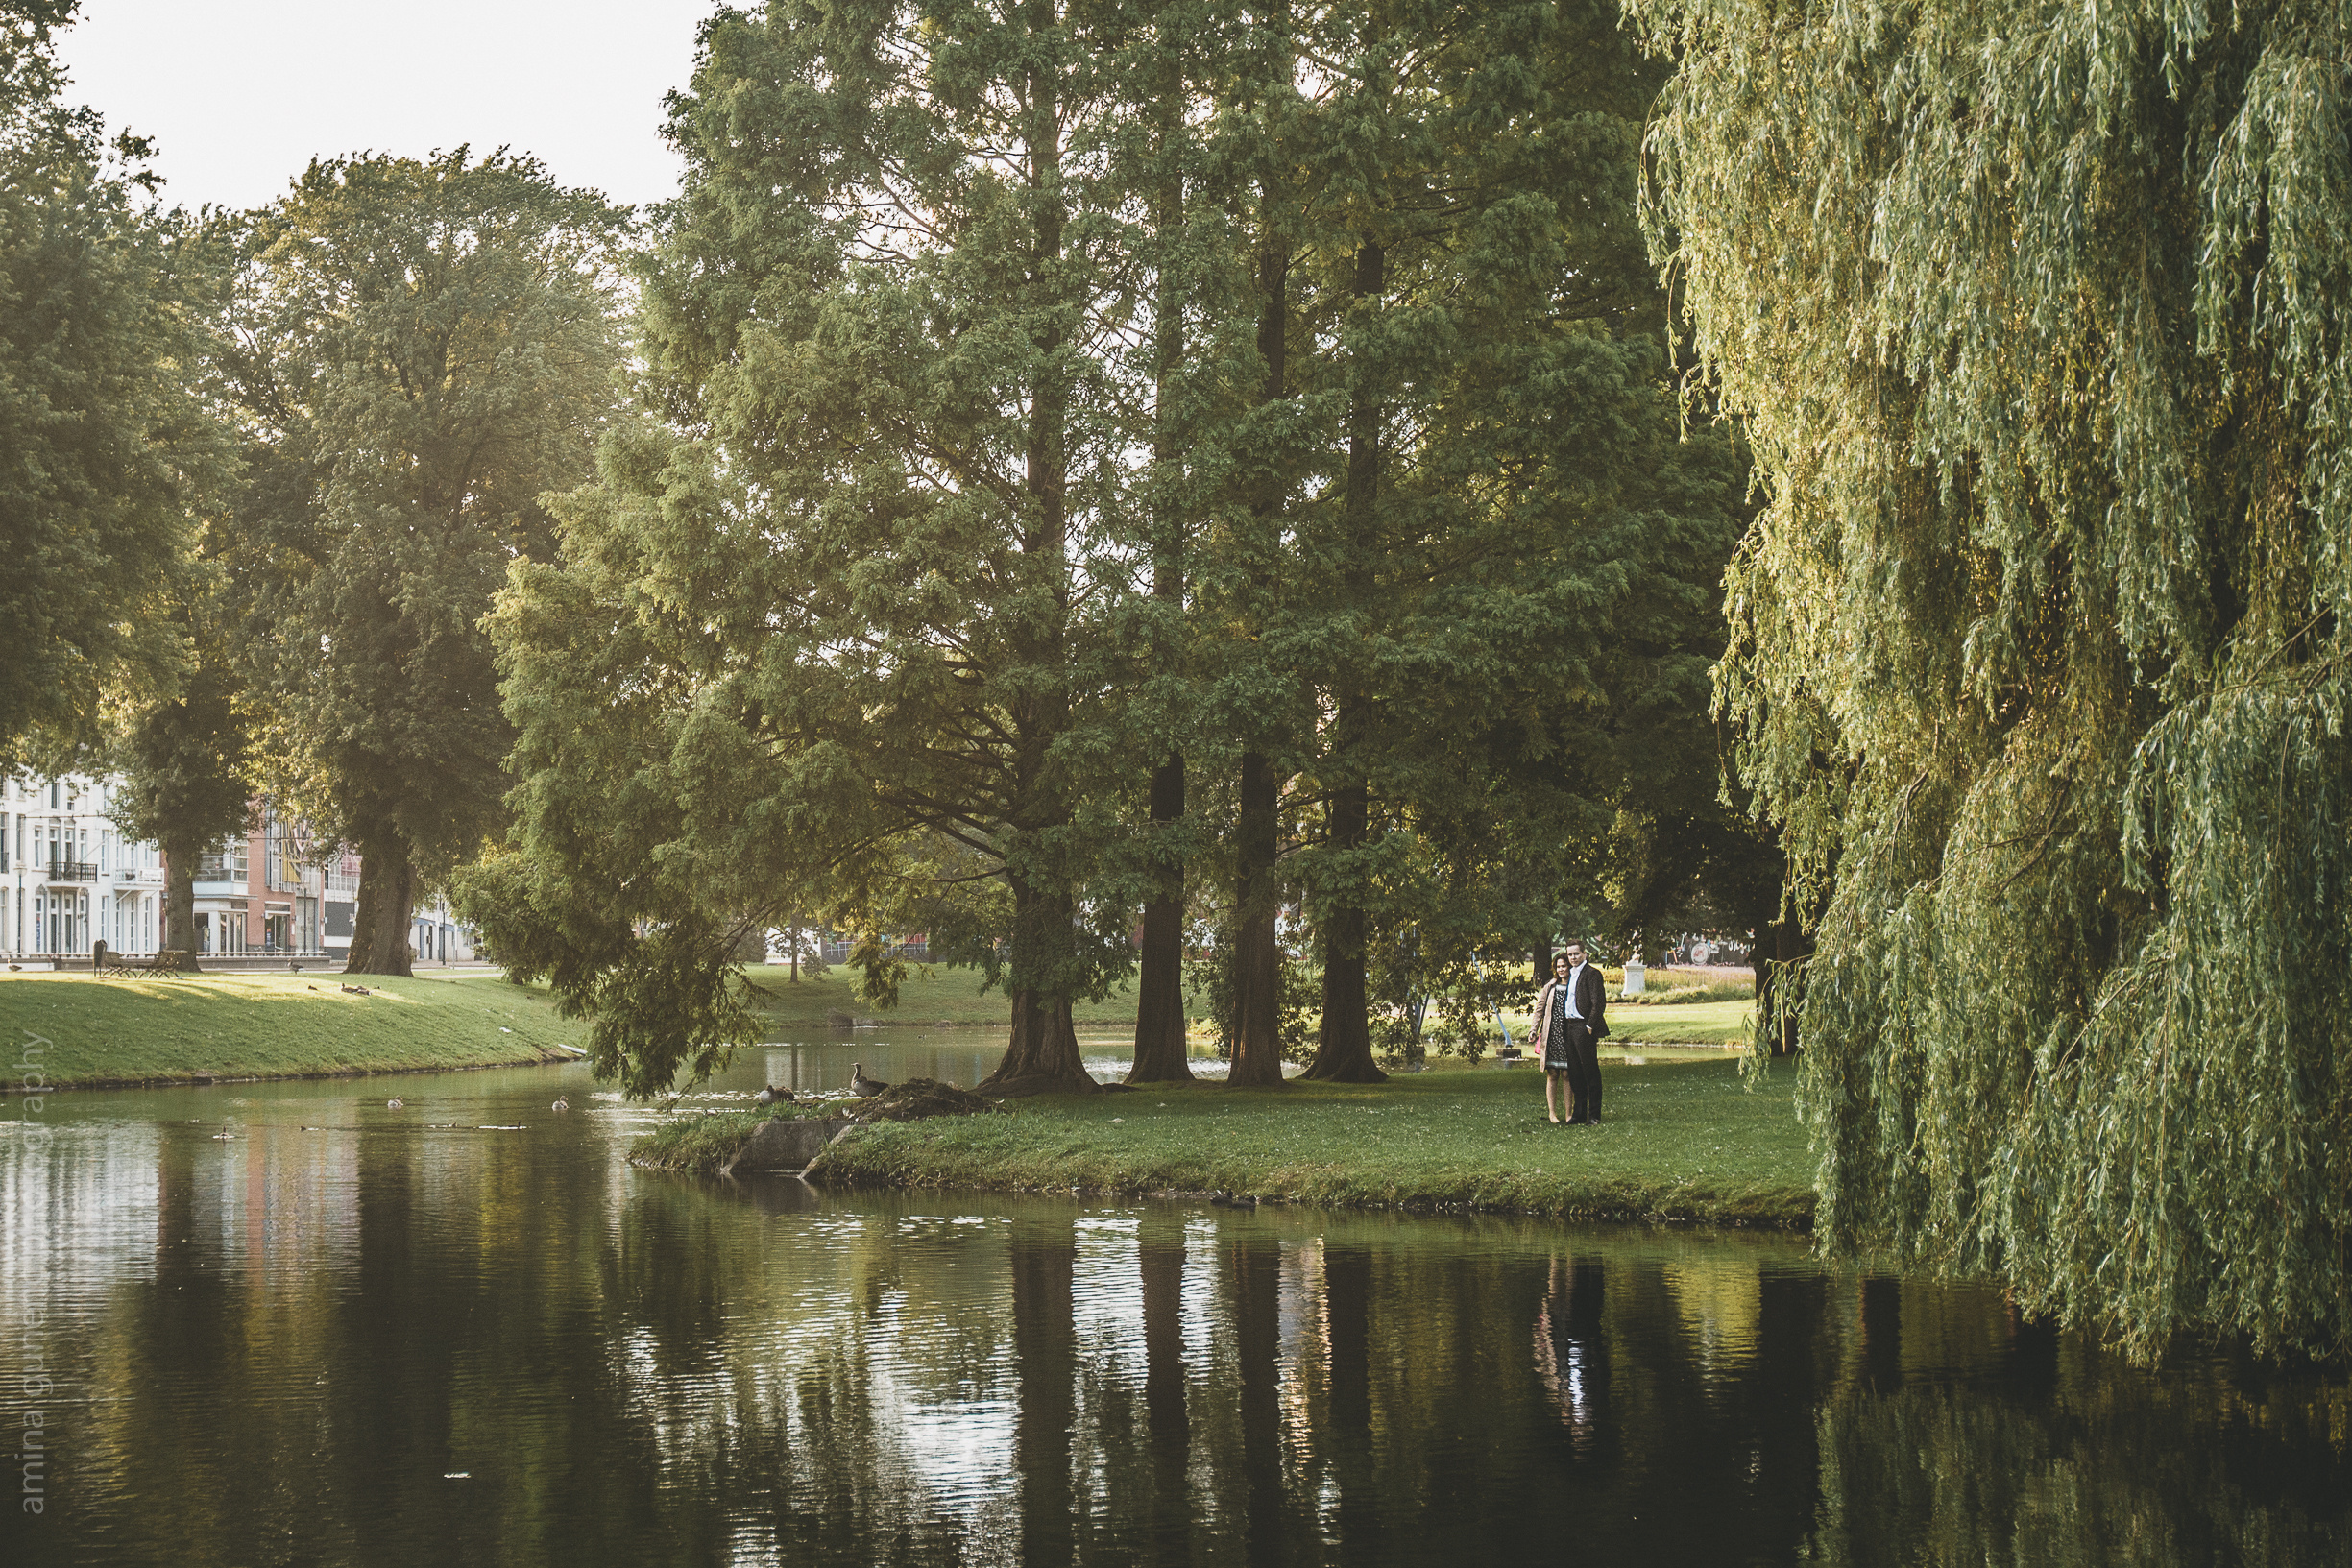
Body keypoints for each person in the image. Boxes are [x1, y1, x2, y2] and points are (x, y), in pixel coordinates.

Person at [1532, 941, 1609, 1125]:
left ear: (1584, 954)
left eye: (1576, 954)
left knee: (1590, 1071)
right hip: (1569, 1028)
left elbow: (1599, 1003)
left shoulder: (1592, 974)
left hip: (1584, 1027)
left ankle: (1594, 1115)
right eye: (1570, 955)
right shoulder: (1570, 974)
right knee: (1574, 1073)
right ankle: (1578, 1114)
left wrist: (1589, 1026)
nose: (1573, 958)